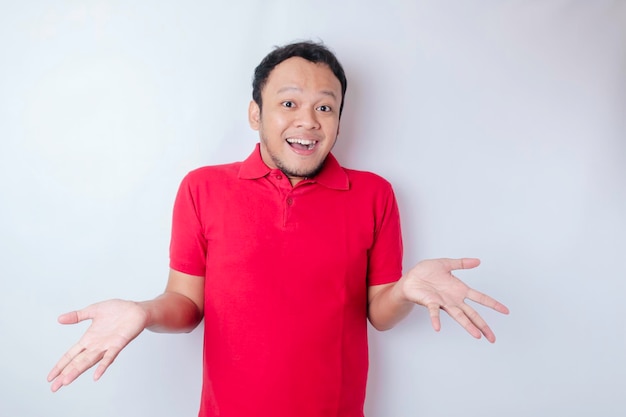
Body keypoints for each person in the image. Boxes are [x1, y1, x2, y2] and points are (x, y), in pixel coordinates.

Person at [48, 41, 509, 417]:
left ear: (339, 120)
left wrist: (406, 289)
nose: (307, 120)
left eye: (325, 108)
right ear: (256, 114)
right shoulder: (201, 188)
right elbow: (187, 304)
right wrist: (144, 312)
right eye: (288, 103)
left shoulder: (374, 195)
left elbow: (380, 315)